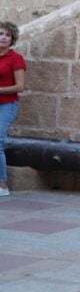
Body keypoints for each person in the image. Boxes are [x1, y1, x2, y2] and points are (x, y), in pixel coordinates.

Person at [0, 22, 25, 198]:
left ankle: (2, 185)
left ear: (12, 39)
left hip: (7, 105)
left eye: (7, 35)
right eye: (1, 34)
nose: (3, 37)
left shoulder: (15, 59)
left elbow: (20, 86)